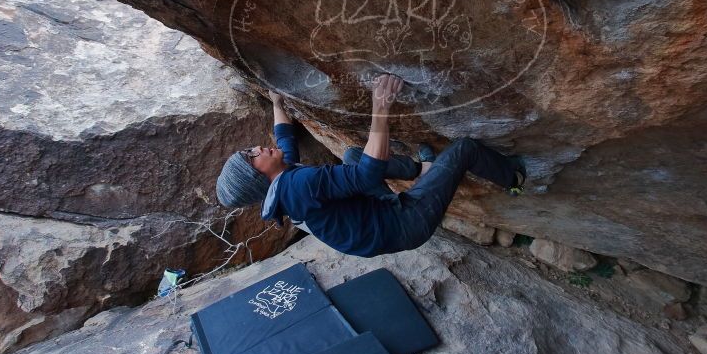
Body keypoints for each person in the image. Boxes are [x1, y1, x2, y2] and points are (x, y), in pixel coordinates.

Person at [216, 74, 526, 257]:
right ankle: (514, 177)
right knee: (464, 149)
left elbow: (285, 142)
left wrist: (277, 103)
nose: (257, 147)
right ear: (257, 174)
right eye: (250, 154)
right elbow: (368, 175)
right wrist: (381, 106)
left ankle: (423, 171)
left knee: (351, 155)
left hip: (379, 216)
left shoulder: (282, 187)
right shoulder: (299, 185)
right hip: (403, 224)